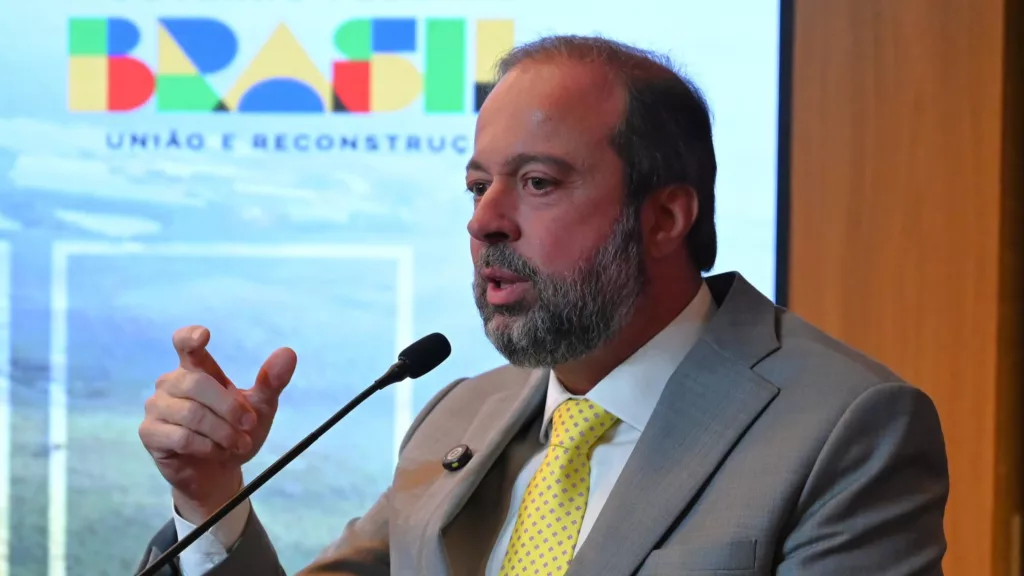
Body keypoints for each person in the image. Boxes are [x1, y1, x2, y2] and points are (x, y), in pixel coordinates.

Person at [136, 35, 949, 576]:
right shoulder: (460, 416)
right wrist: (211, 494)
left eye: (538, 183)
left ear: (665, 216)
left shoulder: (847, 428)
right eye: (477, 185)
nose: (485, 221)